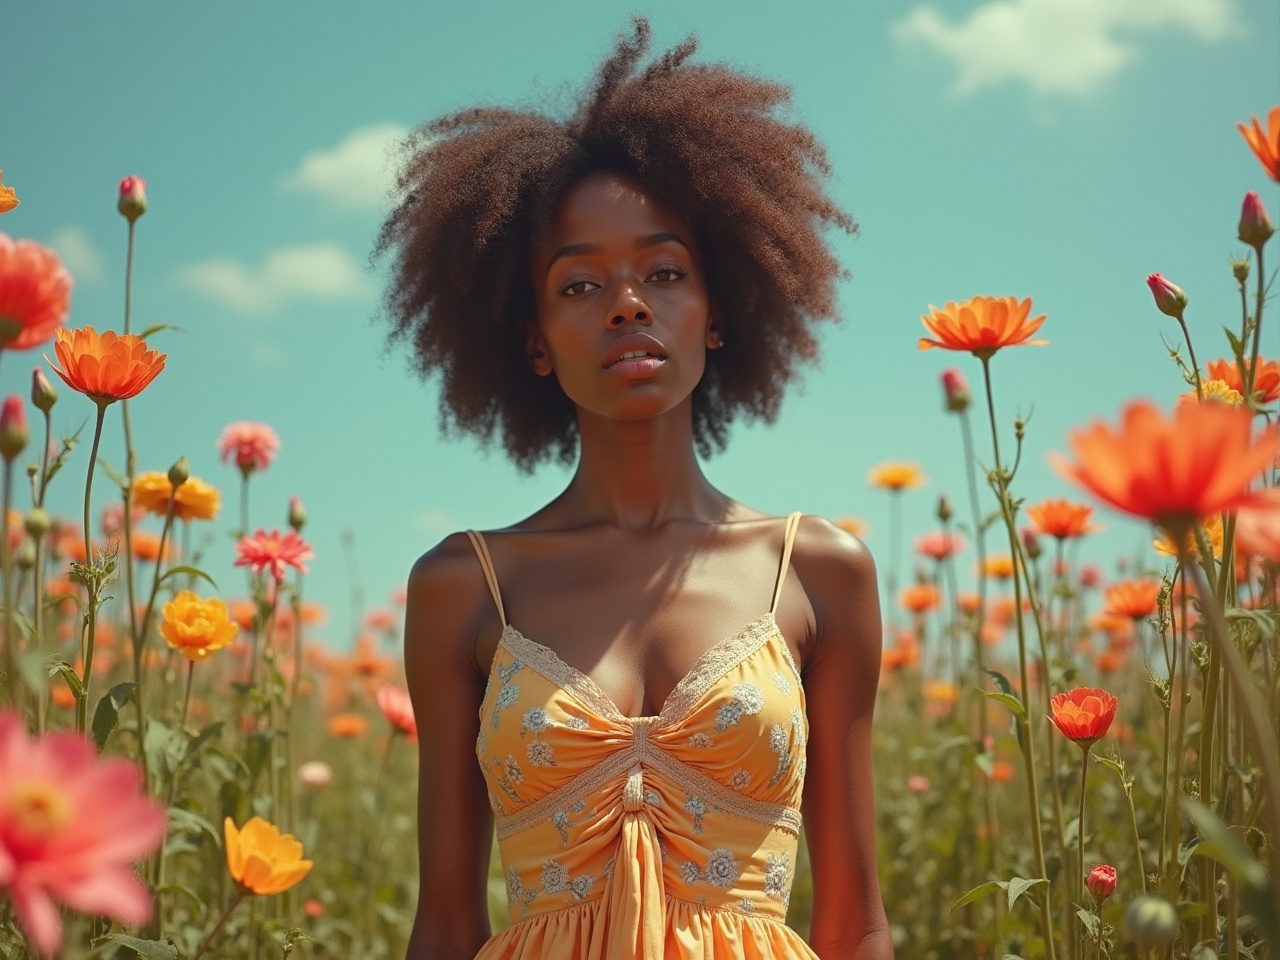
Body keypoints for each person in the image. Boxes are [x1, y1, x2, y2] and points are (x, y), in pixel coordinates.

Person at [377, 17, 892, 960]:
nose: (626, 304)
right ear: (531, 338)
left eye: (664, 271)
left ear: (720, 310)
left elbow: (855, 924)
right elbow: (447, 923)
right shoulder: (462, 587)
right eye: (579, 286)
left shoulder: (821, 572)